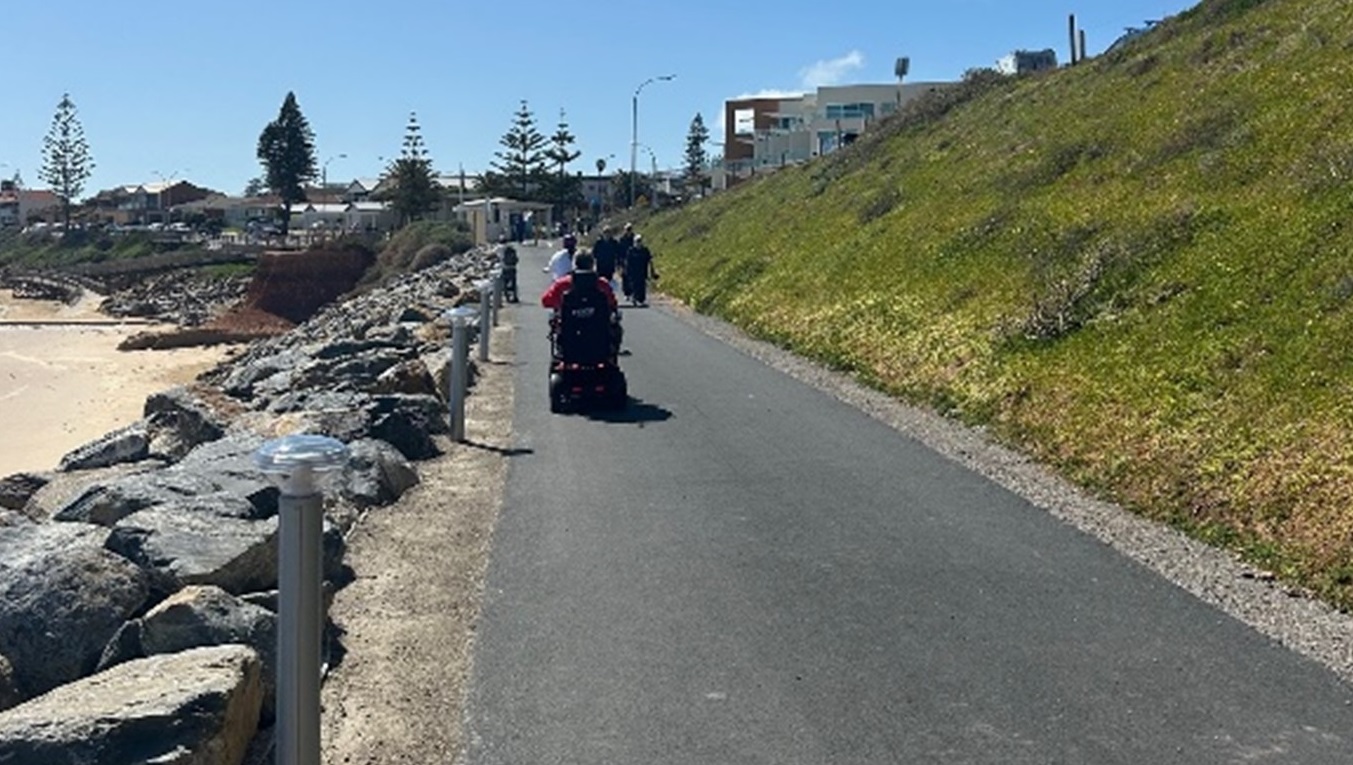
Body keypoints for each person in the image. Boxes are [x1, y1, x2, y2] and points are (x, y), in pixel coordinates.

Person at [541, 251, 618, 310]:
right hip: (597, 327)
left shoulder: (563, 284)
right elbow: (612, 302)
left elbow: (546, 301)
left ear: (574, 264)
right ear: (592, 264)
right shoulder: (602, 284)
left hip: (569, 326)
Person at [624, 234, 659, 307]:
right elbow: (628, 262)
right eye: (637, 241)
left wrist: (652, 271)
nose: (639, 243)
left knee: (642, 286)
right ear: (634, 242)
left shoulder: (645, 250)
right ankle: (635, 298)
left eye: (640, 241)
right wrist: (627, 271)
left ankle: (641, 299)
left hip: (642, 271)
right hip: (633, 272)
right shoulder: (631, 250)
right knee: (634, 285)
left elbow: (649, 260)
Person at [497, 235, 519, 303]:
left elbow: (499, 258)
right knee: (514, 283)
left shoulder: (499, 248)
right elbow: (517, 259)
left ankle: (507, 298)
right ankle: (515, 296)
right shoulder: (511, 248)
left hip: (505, 268)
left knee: (505, 283)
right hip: (512, 267)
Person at [617, 223, 636, 299]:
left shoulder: (634, 238)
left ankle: (632, 292)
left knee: (632, 276)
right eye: (627, 229)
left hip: (633, 260)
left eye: (630, 229)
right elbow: (619, 251)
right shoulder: (622, 239)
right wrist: (619, 262)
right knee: (625, 277)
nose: (629, 231)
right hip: (624, 260)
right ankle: (626, 293)